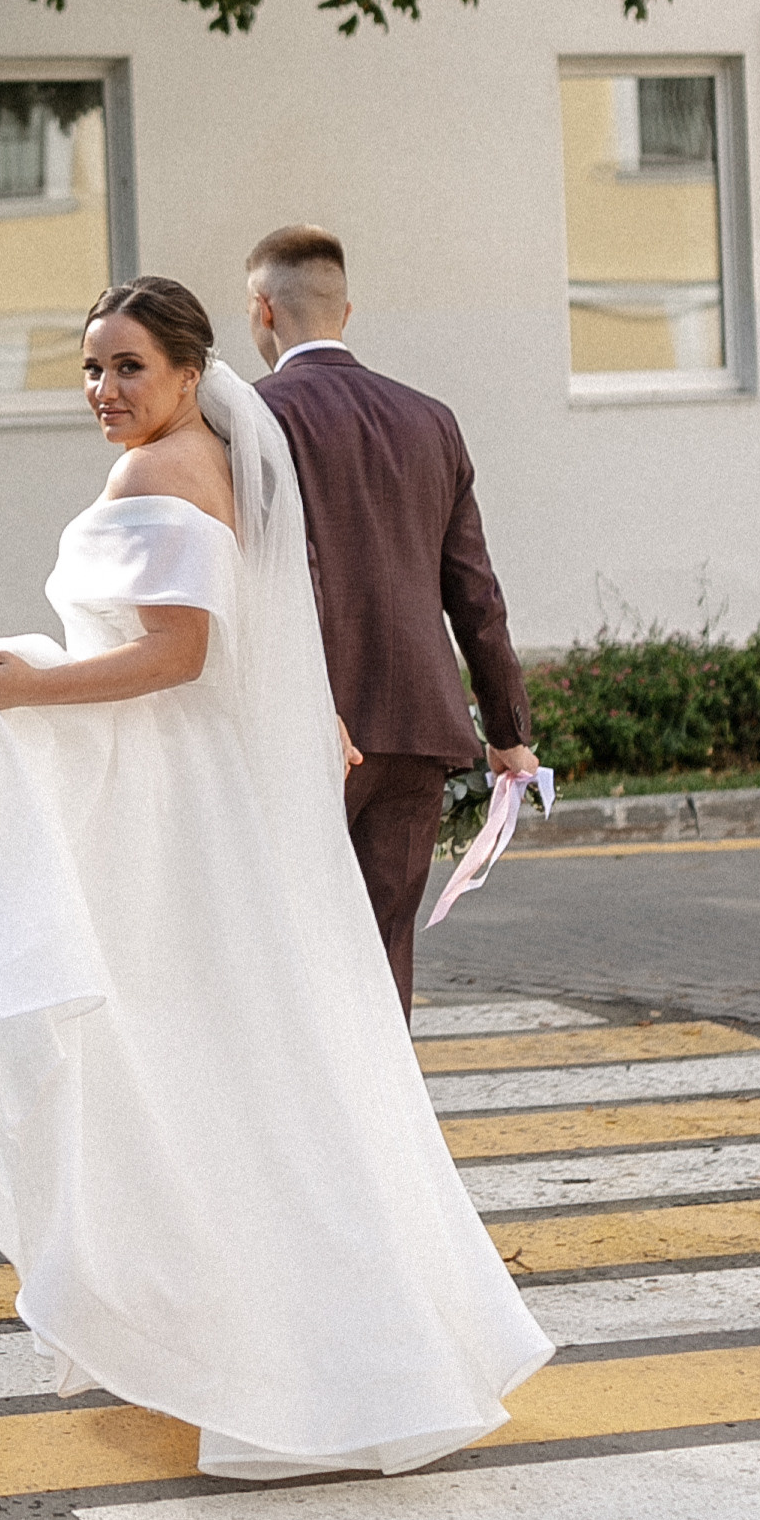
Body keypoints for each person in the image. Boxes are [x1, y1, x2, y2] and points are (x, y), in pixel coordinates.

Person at [0, 276, 551, 1483]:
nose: (102, 391)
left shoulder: (161, 476)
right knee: (226, 1055)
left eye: (126, 366)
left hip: (170, 813)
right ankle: (253, 1321)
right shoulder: (214, 463)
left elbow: (175, 652)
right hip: (191, 800)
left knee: (181, 1059)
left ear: (189, 369)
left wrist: (16, 684)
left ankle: (253, 1342)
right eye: (90, 369)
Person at [247, 225, 538, 1019]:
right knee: (381, 950)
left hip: (308, 724)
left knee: (282, 944)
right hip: (417, 726)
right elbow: (474, 591)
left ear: (260, 310)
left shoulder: (252, 416)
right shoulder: (430, 420)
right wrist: (508, 728)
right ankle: (385, 1134)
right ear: (347, 309)